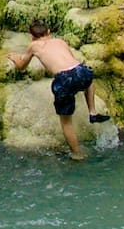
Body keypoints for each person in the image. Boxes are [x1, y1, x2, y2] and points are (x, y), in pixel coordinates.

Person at [7, 20, 109, 160]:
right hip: (80, 71)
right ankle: (92, 112)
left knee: (66, 122)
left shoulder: (33, 46)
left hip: (63, 79)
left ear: (32, 36)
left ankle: (77, 154)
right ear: (49, 32)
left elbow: (21, 66)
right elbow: (70, 60)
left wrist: (14, 58)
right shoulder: (60, 41)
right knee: (89, 79)